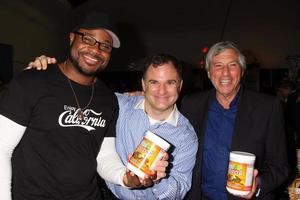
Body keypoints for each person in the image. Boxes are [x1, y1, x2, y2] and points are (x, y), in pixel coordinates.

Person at [0, 11, 164, 200]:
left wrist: (125, 178)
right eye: (88, 39)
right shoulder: (32, 81)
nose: (95, 50)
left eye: (105, 45)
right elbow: (2, 147)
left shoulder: (108, 99)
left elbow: (104, 155)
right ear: (71, 38)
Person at [27, 53, 198, 199]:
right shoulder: (118, 104)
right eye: (154, 82)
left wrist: (159, 181)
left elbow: (179, 190)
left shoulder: (186, 135)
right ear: (143, 85)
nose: (162, 91)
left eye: (170, 82)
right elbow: (73, 93)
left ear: (180, 85)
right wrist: (44, 72)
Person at [181, 41, 289, 199]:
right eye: (218, 65)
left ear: (242, 71)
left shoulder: (268, 108)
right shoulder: (190, 105)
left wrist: (257, 183)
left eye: (232, 65)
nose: (225, 73)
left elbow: (280, 165)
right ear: (209, 72)